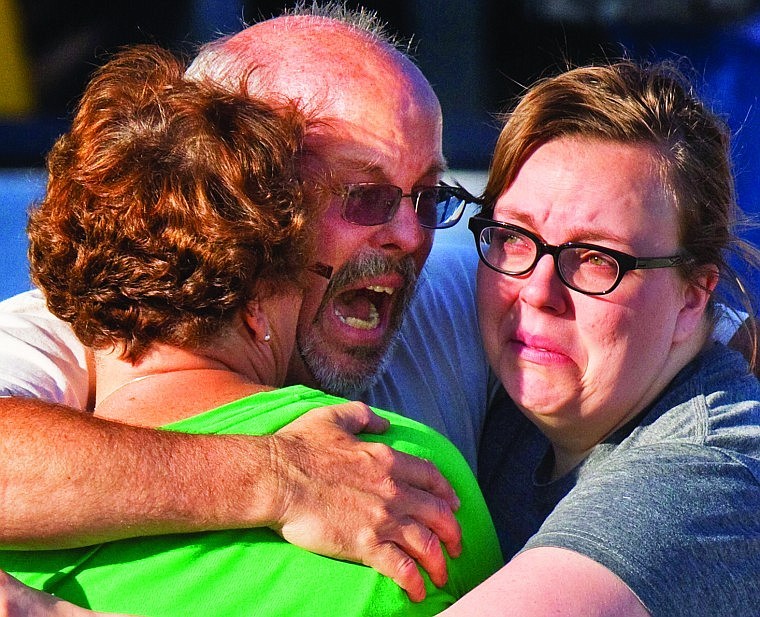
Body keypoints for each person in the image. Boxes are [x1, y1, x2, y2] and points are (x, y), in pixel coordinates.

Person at [0, 2, 491, 600]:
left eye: (428, 196)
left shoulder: (480, 289)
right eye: (364, 195)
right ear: (238, 207)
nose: (413, 237)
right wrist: (284, 478)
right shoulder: (70, 327)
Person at [438, 60, 760, 616]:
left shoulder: (705, 481)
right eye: (514, 237)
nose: (538, 291)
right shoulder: (527, 400)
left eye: (595, 258)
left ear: (692, 297)